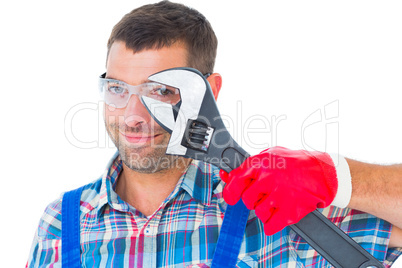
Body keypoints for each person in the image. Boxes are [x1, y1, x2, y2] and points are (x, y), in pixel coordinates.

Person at [27, 1, 402, 267]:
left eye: (160, 91)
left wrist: (339, 178)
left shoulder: (272, 210)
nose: (133, 116)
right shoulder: (61, 223)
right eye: (118, 89)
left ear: (210, 92)